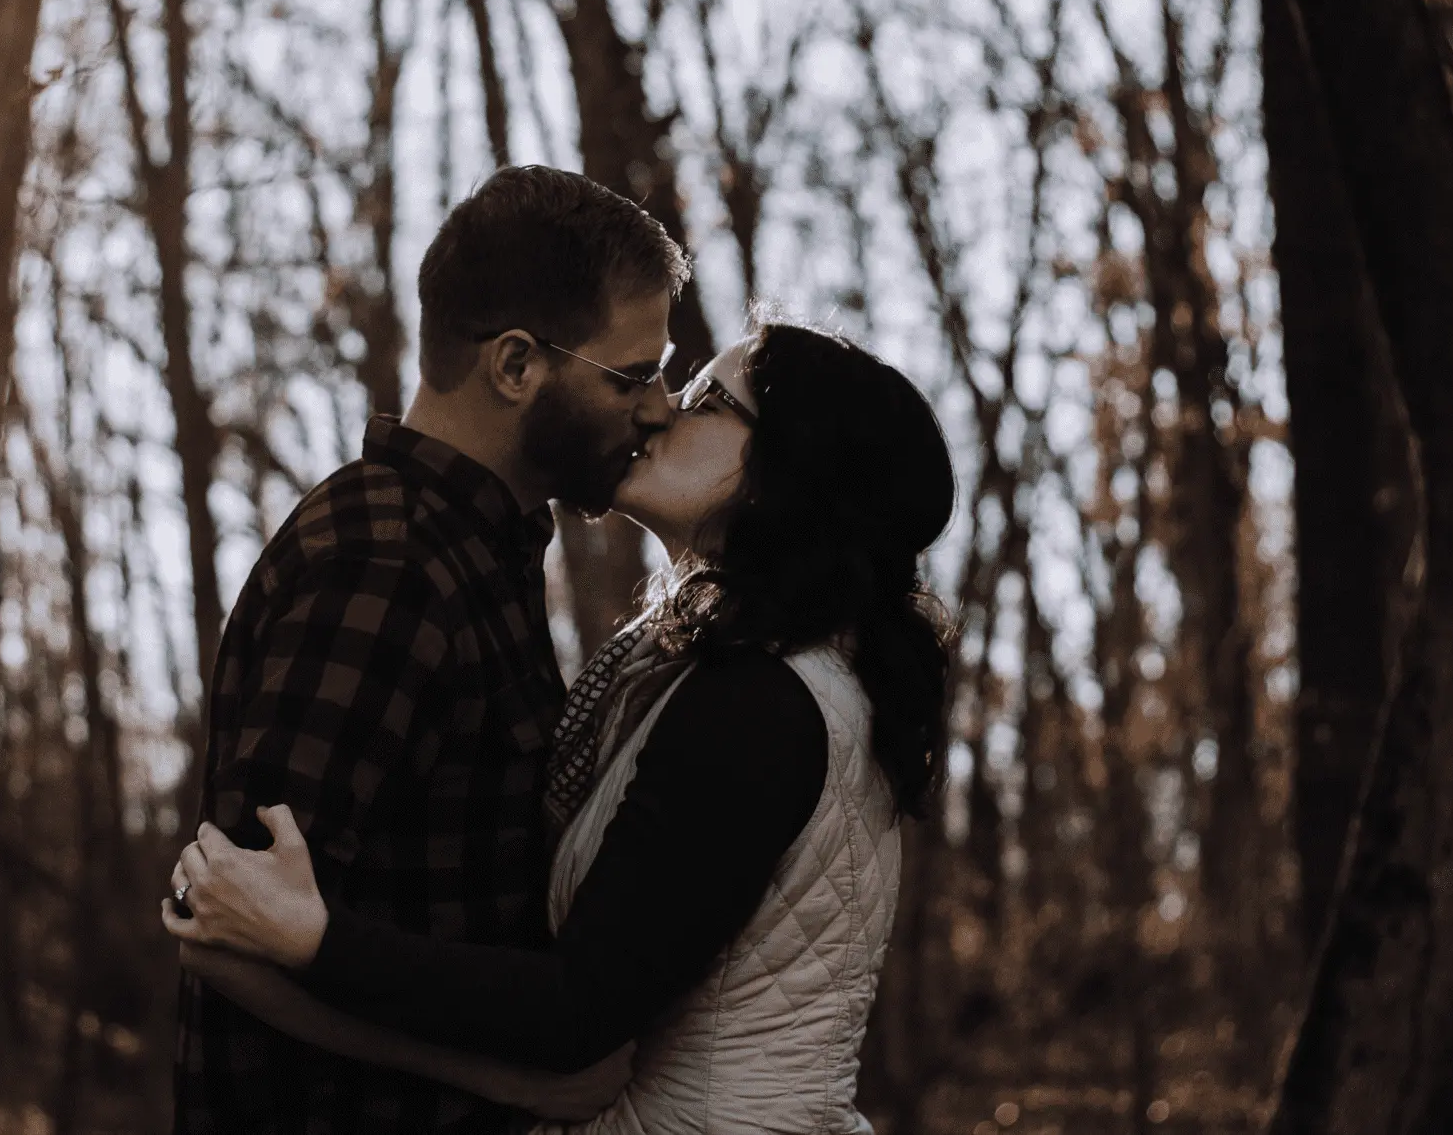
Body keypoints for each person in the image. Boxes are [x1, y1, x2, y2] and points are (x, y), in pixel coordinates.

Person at [169, 321, 958, 1134]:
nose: (661, 411)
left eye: (705, 401)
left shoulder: (763, 702)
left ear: (787, 469)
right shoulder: (776, 673)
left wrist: (316, 939)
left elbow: (581, 1005)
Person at [171, 164, 693, 1135]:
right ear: (514, 366)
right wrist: (510, 1079)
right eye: (633, 375)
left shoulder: (476, 551)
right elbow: (222, 932)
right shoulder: (383, 565)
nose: (660, 406)